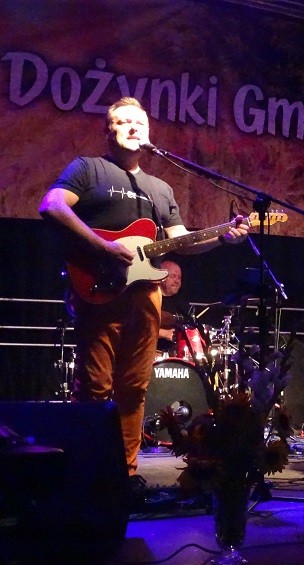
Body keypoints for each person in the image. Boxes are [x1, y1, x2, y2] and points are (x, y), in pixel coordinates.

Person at [38, 97, 249, 481]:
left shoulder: (160, 188)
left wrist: (223, 237)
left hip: (145, 294)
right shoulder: (89, 168)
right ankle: (87, 473)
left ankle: (125, 474)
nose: (134, 127)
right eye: (124, 122)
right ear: (109, 130)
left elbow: (182, 241)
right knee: (95, 386)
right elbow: (52, 205)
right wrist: (103, 247)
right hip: (99, 288)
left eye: (140, 123)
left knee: (135, 388)